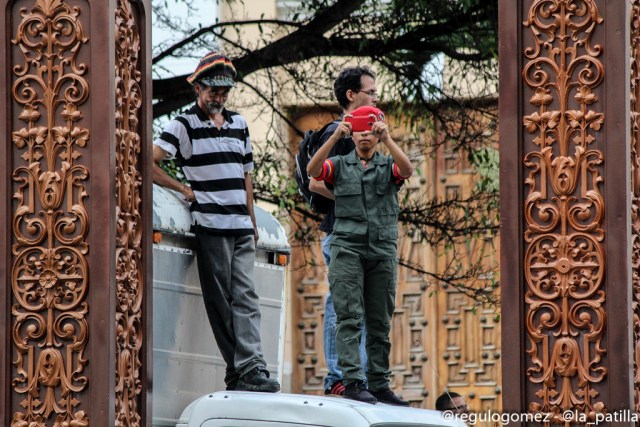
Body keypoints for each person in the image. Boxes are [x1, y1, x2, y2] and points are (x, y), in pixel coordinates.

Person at [152, 51, 280, 393]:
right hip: (210, 225)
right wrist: (182, 189)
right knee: (221, 300)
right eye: (213, 90)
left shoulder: (239, 124)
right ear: (198, 88)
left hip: (239, 225)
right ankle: (240, 369)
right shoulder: (182, 124)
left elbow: (246, 177)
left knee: (247, 297)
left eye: (224, 91)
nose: (219, 97)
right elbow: (147, 162)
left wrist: (252, 221)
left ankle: (251, 367)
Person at [307, 105, 414, 405]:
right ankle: (353, 381)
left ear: (377, 135)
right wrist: (334, 137)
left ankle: (379, 384)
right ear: (352, 135)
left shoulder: (385, 166)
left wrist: (389, 139)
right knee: (349, 317)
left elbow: (406, 170)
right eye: (359, 131)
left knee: (380, 321)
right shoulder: (339, 164)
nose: (365, 136)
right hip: (347, 250)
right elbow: (313, 171)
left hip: (381, 251)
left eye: (370, 131)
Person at [310, 66, 378, 397]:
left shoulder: (365, 132)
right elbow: (316, 181)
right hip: (339, 232)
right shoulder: (337, 132)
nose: (376, 97)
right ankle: (337, 378)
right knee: (341, 304)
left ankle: (358, 376)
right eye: (371, 91)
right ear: (352, 95)